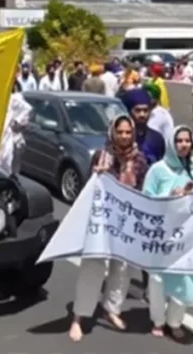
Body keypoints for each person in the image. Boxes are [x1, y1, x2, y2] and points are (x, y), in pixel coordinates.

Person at [69, 115, 149, 342]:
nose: (124, 136)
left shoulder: (141, 160)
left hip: (126, 224)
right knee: (92, 267)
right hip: (101, 223)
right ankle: (79, 317)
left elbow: (144, 191)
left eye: (127, 132)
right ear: (112, 132)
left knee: (122, 270)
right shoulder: (101, 156)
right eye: (120, 132)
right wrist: (98, 174)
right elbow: (88, 189)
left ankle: (111, 308)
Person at [142, 125, 193, 341]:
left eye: (187, 141)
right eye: (179, 141)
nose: (183, 145)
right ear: (172, 143)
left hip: (187, 235)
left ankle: (174, 321)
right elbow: (147, 198)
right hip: (162, 234)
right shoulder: (158, 170)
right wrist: (170, 195)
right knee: (157, 279)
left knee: (184, 277)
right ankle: (158, 320)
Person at [122, 88, 166, 164]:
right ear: (129, 112)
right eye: (137, 110)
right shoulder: (121, 137)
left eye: (145, 110)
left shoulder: (156, 138)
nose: (142, 115)